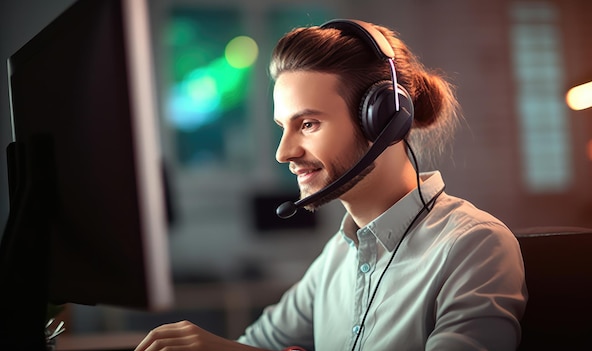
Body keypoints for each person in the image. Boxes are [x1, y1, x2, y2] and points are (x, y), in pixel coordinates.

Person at [135, 19, 527, 351]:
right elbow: (255, 343)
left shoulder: (475, 246)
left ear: (385, 119)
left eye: (307, 124)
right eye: (282, 128)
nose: (283, 152)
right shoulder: (335, 259)